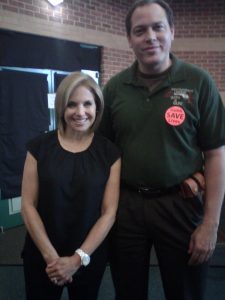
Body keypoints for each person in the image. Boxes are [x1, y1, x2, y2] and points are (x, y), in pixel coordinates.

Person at [99, 1, 225, 299]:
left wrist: (211, 224)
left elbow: (217, 155)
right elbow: (102, 155)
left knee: (185, 292)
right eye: (140, 30)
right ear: (129, 38)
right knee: (128, 291)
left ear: (172, 31)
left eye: (158, 27)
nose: (150, 37)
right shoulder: (115, 88)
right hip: (126, 207)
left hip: (180, 204)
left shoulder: (199, 83)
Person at [21, 72, 121, 300]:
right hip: (42, 254)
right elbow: (28, 205)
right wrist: (52, 260)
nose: (80, 112)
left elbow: (109, 213)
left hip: (88, 255)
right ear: (61, 107)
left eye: (88, 104)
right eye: (72, 104)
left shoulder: (110, 153)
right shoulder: (38, 147)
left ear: (97, 107)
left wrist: (77, 259)